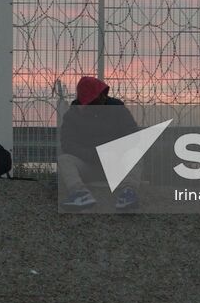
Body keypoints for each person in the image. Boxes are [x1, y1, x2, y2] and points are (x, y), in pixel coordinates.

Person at [59, 75, 142, 211]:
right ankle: (80, 193)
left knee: (136, 153)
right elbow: (67, 144)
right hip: (88, 165)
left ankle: (128, 193)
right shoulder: (73, 115)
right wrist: (91, 155)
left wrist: (114, 151)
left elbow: (133, 136)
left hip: (116, 165)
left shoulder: (117, 109)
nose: (102, 99)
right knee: (64, 159)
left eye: (102, 95)